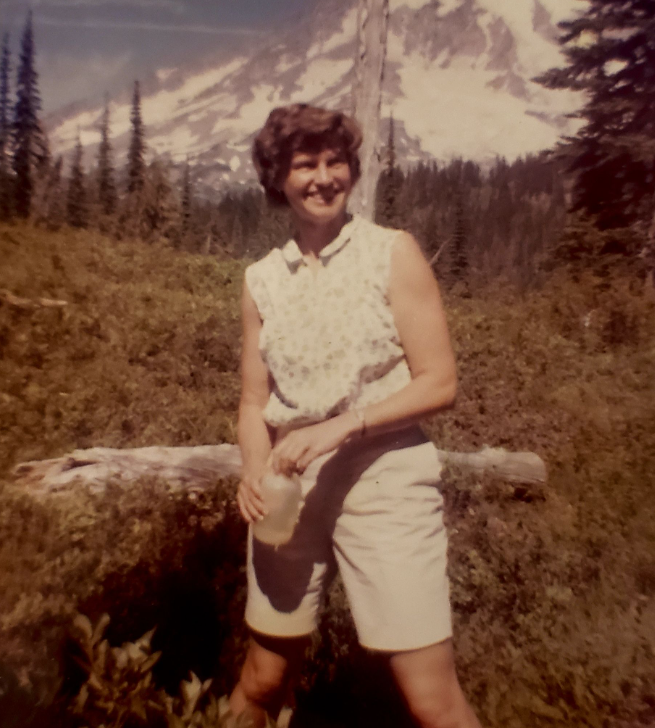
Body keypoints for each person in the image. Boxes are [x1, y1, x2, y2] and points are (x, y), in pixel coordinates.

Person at [229, 103, 481, 728]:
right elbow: (253, 403)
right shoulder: (262, 280)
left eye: (335, 161)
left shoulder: (392, 253)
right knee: (264, 679)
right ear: (278, 178)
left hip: (385, 477)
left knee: (431, 698)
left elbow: (440, 381)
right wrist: (255, 471)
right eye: (304, 164)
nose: (323, 177)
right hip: (288, 488)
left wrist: (344, 425)